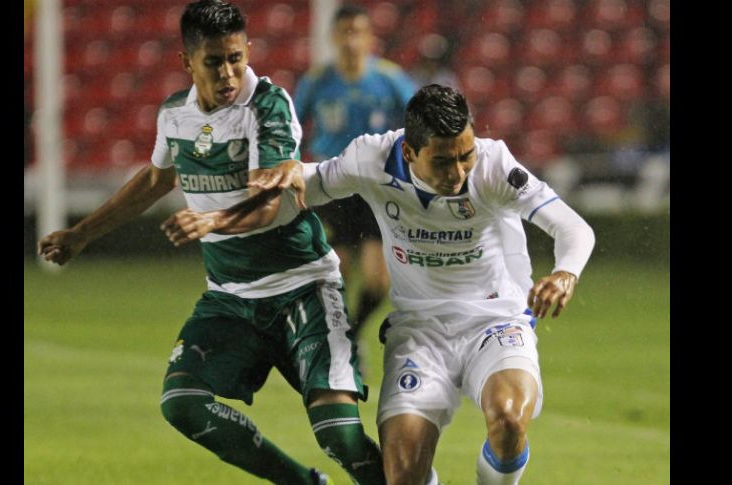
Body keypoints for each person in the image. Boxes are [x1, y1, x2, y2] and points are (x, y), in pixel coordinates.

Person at [165, 84, 595, 484]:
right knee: (401, 474)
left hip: (495, 320)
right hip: (419, 330)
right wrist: (226, 215)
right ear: (409, 151)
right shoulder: (371, 160)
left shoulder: (495, 165)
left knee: (508, 420)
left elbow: (573, 229)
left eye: (465, 155)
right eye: (444, 161)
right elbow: (308, 186)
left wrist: (565, 272)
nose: (460, 171)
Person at [37, 2, 386, 484]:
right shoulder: (174, 115)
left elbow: (272, 196)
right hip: (231, 298)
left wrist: (213, 221)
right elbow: (154, 181)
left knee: (339, 438)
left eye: (236, 58)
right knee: (182, 403)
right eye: (214, 61)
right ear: (187, 61)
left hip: (303, 286)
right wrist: (81, 235)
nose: (228, 72)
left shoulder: (268, 104)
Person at [293, 4, 417, 333]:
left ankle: (352, 332)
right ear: (334, 36)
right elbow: (291, 127)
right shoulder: (317, 81)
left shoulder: (389, 79)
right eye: (345, 32)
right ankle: (331, 335)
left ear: (369, 38)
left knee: (378, 279)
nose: (351, 40)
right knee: (337, 270)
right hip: (331, 185)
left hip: (376, 186)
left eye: (357, 32)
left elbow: (420, 118)